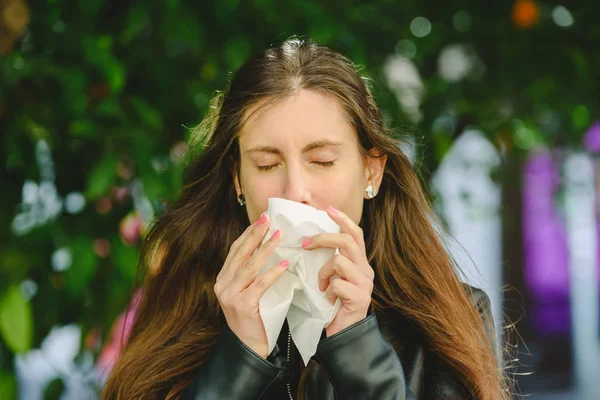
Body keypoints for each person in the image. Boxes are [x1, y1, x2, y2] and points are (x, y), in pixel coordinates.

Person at [103, 38, 509, 399]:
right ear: (237, 180)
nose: (296, 191)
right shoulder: (183, 310)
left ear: (372, 172)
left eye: (322, 160)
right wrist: (239, 357)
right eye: (266, 165)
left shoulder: (450, 316)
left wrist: (357, 344)